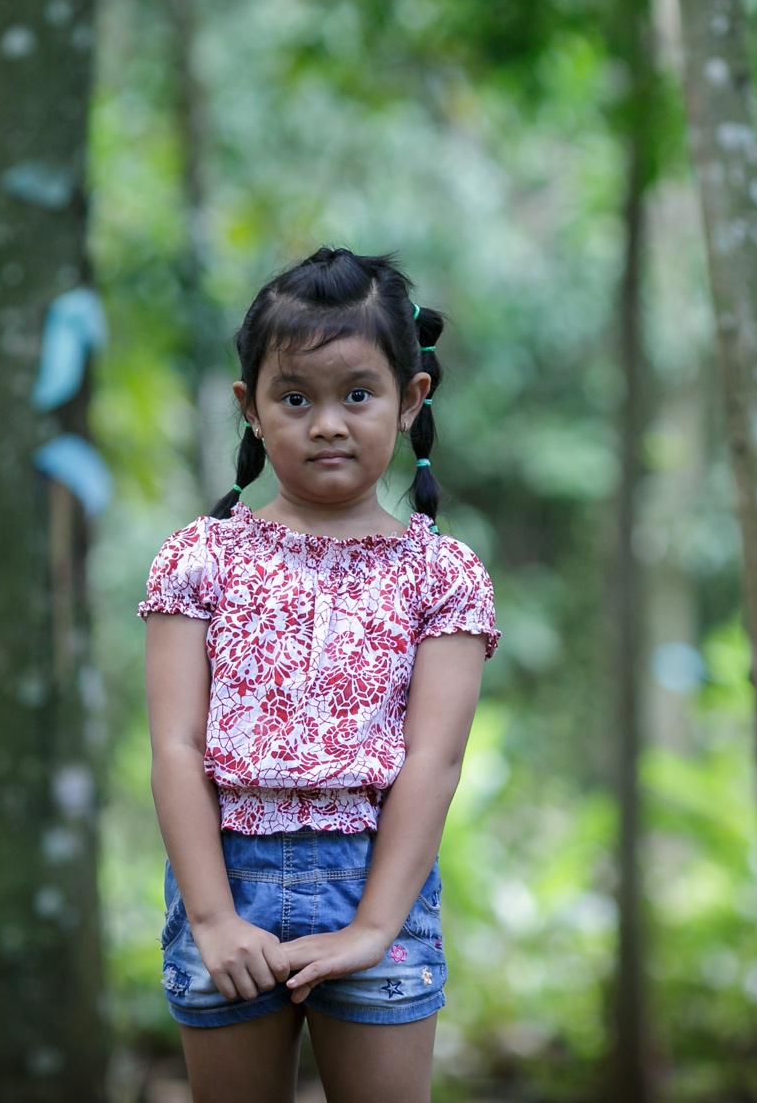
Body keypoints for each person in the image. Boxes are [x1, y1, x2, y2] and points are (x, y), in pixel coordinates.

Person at [139, 247, 499, 1103]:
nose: (328, 423)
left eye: (358, 395)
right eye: (296, 398)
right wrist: (212, 918)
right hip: (226, 885)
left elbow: (434, 762)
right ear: (251, 408)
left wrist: (373, 927)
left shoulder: (442, 575)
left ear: (411, 399)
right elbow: (175, 747)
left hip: (379, 884)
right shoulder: (198, 560)